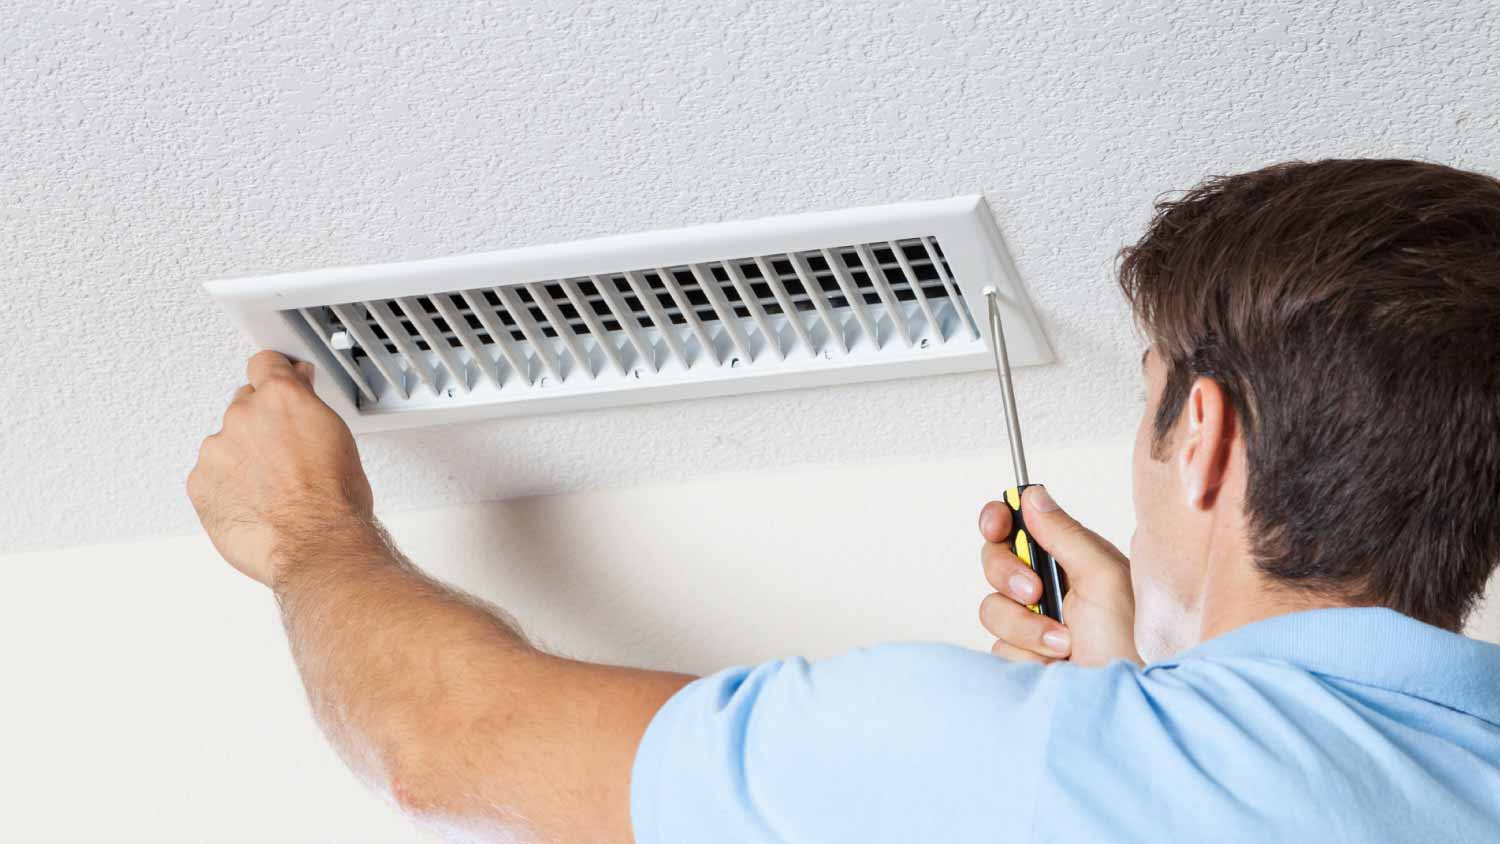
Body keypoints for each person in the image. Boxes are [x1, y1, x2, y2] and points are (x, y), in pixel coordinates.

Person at [188, 158, 1500, 842]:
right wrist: (1136, 689)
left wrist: (306, 533)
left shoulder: (1017, 761)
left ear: (1203, 437)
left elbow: (440, 747)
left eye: (1148, 399)